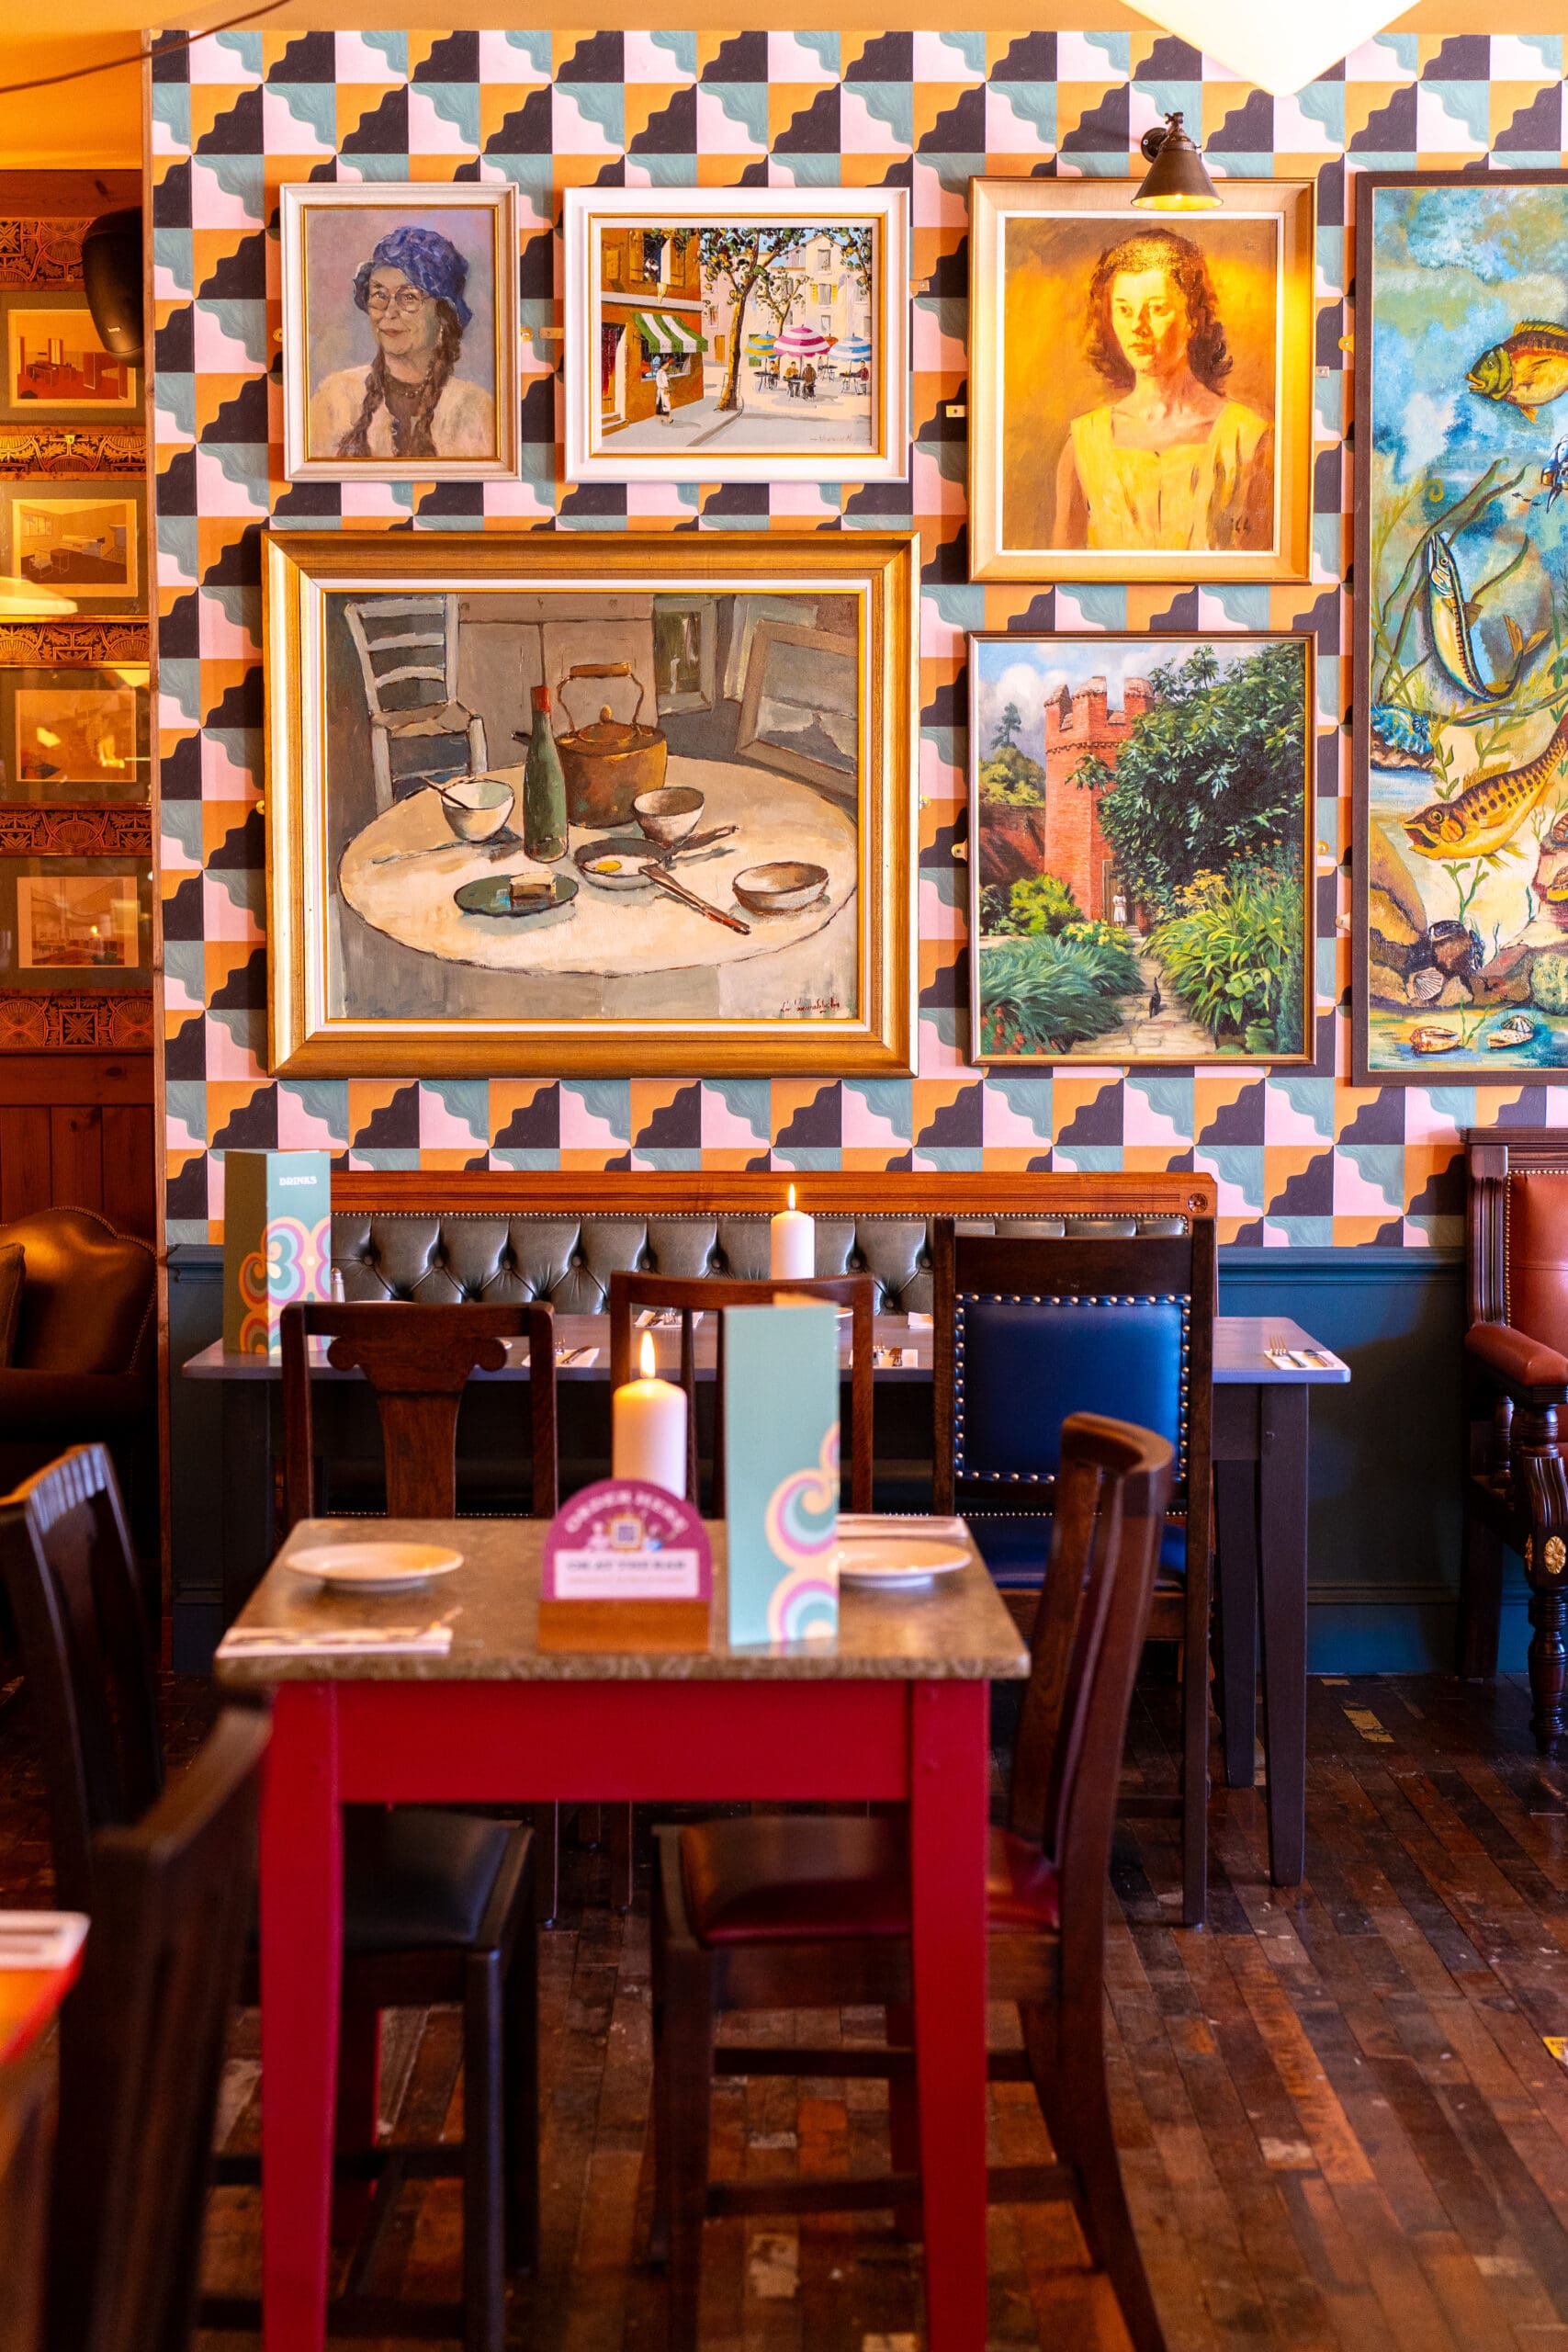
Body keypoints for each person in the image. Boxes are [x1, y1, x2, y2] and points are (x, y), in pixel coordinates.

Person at [1051, 229, 1273, 554]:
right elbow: (1060, 568)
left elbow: (1265, 567)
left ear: (1192, 319)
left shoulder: (1249, 439)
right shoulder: (1084, 441)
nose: (1138, 326)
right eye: (1124, 310)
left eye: (1156, 309)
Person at [308, 223, 497, 463]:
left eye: (408, 297)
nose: (389, 312)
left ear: (443, 314)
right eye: (380, 295)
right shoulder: (335, 398)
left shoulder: (475, 409)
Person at [653, 357, 673, 424]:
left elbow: (667, 381)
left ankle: (664, 419)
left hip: (665, 390)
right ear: (662, 365)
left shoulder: (664, 372)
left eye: (667, 365)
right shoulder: (659, 372)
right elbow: (658, 383)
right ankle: (667, 419)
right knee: (664, 405)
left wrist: (669, 387)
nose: (667, 366)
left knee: (665, 404)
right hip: (662, 391)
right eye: (666, 365)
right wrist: (664, 388)